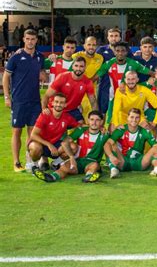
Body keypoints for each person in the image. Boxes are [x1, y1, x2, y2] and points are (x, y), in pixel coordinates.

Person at [3, 29, 46, 172]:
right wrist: (7, 97)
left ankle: (29, 161)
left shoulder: (40, 57)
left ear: (36, 40)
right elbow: (6, 77)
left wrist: (44, 73)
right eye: (28, 39)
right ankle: (16, 162)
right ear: (23, 39)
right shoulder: (16, 57)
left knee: (32, 132)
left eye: (33, 39)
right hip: (19, 100)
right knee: (17, 131)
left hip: (35, 100)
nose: (30, 41)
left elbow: (43, 73)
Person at [32, 110, 108, 183]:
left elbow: (112, 146)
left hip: (91, 162)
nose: (94, 122)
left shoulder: (105, 134)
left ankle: (89, 177)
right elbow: (65, 142)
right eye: (92, 119)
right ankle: (51, 177)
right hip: (77, 161)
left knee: (95, 166)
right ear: (88, 121)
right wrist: (71, 157)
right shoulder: (81, 130)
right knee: (64, 167)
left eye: (97, 120)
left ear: (101, 122)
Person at [96, 41, 153, 122]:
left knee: (132, 122)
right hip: (114, 98)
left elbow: (152, 73)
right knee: (111, 123)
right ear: (114, 52)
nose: (120, 53)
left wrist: (153, 80)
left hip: (130, 99)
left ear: (126, 52)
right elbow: (95, 77)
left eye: (123, 51)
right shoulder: (109, 64)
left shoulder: (133, 64)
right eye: (118, 51)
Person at [104, 108, 157, 178]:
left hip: (139, 162)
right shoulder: (121, 130)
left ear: (139, 119)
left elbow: (156, 145)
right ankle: (114, 170)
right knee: (110, 144)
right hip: (123, 162)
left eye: (137, 117)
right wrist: (111, 156)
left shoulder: (144, 131)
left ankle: (156, 169)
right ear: (127, 118)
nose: (134, 120)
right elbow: (107, 144)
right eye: (132, 117)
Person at [28, 93, 79, 171]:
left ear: (65, 105)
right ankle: (34, 166)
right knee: (35, 148)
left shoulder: (67, 117)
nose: (58, 104)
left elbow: (80, 127)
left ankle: (55, 164)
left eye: (61, 103)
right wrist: (49, 145)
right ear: (52, 103)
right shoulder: (45, 115)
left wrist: (99, 127)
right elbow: (33, 135)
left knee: (74, 147)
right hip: (42, 143)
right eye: (56, 102)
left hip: (56, 145)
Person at [41, 57, 97, 123]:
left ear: (85, 68)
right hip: (57, 108)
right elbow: (46, 95)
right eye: (76, 66)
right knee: (60, 130)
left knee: (82, 126)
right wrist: (44, 108)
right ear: (72, 66)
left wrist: (96, 117)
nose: (78, 69)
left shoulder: (87, 82)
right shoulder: (62, 77)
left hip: (72, 110)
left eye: (81, 66)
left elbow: (93, 102)